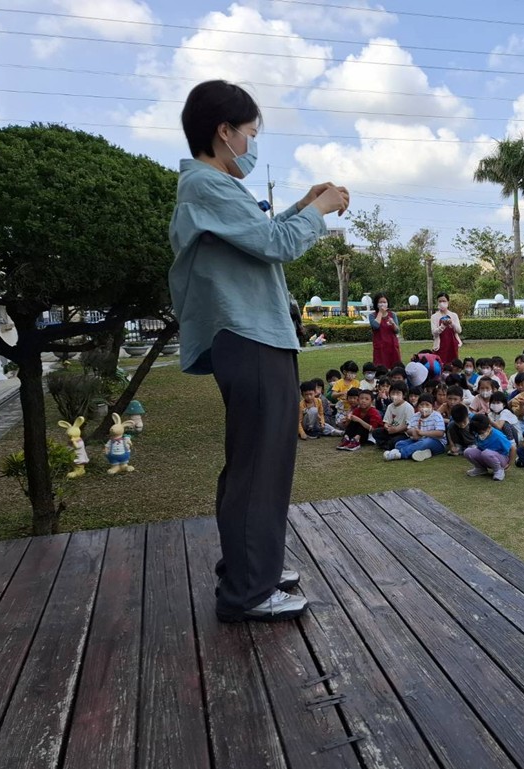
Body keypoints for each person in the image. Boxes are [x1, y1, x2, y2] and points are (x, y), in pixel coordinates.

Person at [169, 79, 349, 623]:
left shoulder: (209, 187)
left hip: (251, 337)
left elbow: (258, 238)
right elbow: (277, 244)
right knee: (260, 467)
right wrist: (320, 210)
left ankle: (250, 569)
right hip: (251, 338)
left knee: (252, 463)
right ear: (224, 132)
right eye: (249, 133)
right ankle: (248, 590)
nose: (251, 144)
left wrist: (303, 204)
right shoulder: (208, 185)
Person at [384, 397, 447, 461]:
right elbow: (408, 430)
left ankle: (400, 454)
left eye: (427, 405)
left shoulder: (437, 416)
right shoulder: (416, 416)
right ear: (418, 406)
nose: (424, 407)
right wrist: (413, 432)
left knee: (426, 442)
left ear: (433, 407)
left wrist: (422, 433)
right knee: (400, 444)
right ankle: (424, 453)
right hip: (419, 440)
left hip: (437, 442)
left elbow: (440, 433)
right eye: (421, 405)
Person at [371, 381, 414, 452]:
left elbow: (408, 425)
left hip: (403, 433)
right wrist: (386, 426)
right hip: (391, 431)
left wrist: (396, 430)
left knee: (394, 441)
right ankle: (387, 444)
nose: (395, 396)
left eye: (398, 393)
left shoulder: (408, 407)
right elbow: (386, 421)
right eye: (393, 393)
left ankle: (388, 444)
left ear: (404, 395)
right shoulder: (390, 406)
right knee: (376, 432)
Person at [369, 292, 402, 368]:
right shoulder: (372, 315)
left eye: (384, 302)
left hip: (392, 346)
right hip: (380, 346)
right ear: (376, 304)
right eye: (380, 302)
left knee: (395, 367)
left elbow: (397, 331)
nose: (383, 304)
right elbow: (376, 326)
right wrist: (380, 312)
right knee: (381, 368)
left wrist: (393, 323)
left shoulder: (392, 315)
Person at [430, 293, 462, 365]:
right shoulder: (434, 317)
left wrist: (452, 323)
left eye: (444, 301)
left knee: (452, 365)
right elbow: (434, 332)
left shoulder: (454, 315)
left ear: (448, 302)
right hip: (440, 346)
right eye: (440, 301)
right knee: (440, 364)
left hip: (452, 345)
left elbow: (459, 330)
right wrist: (443, 326)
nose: (442, 303)